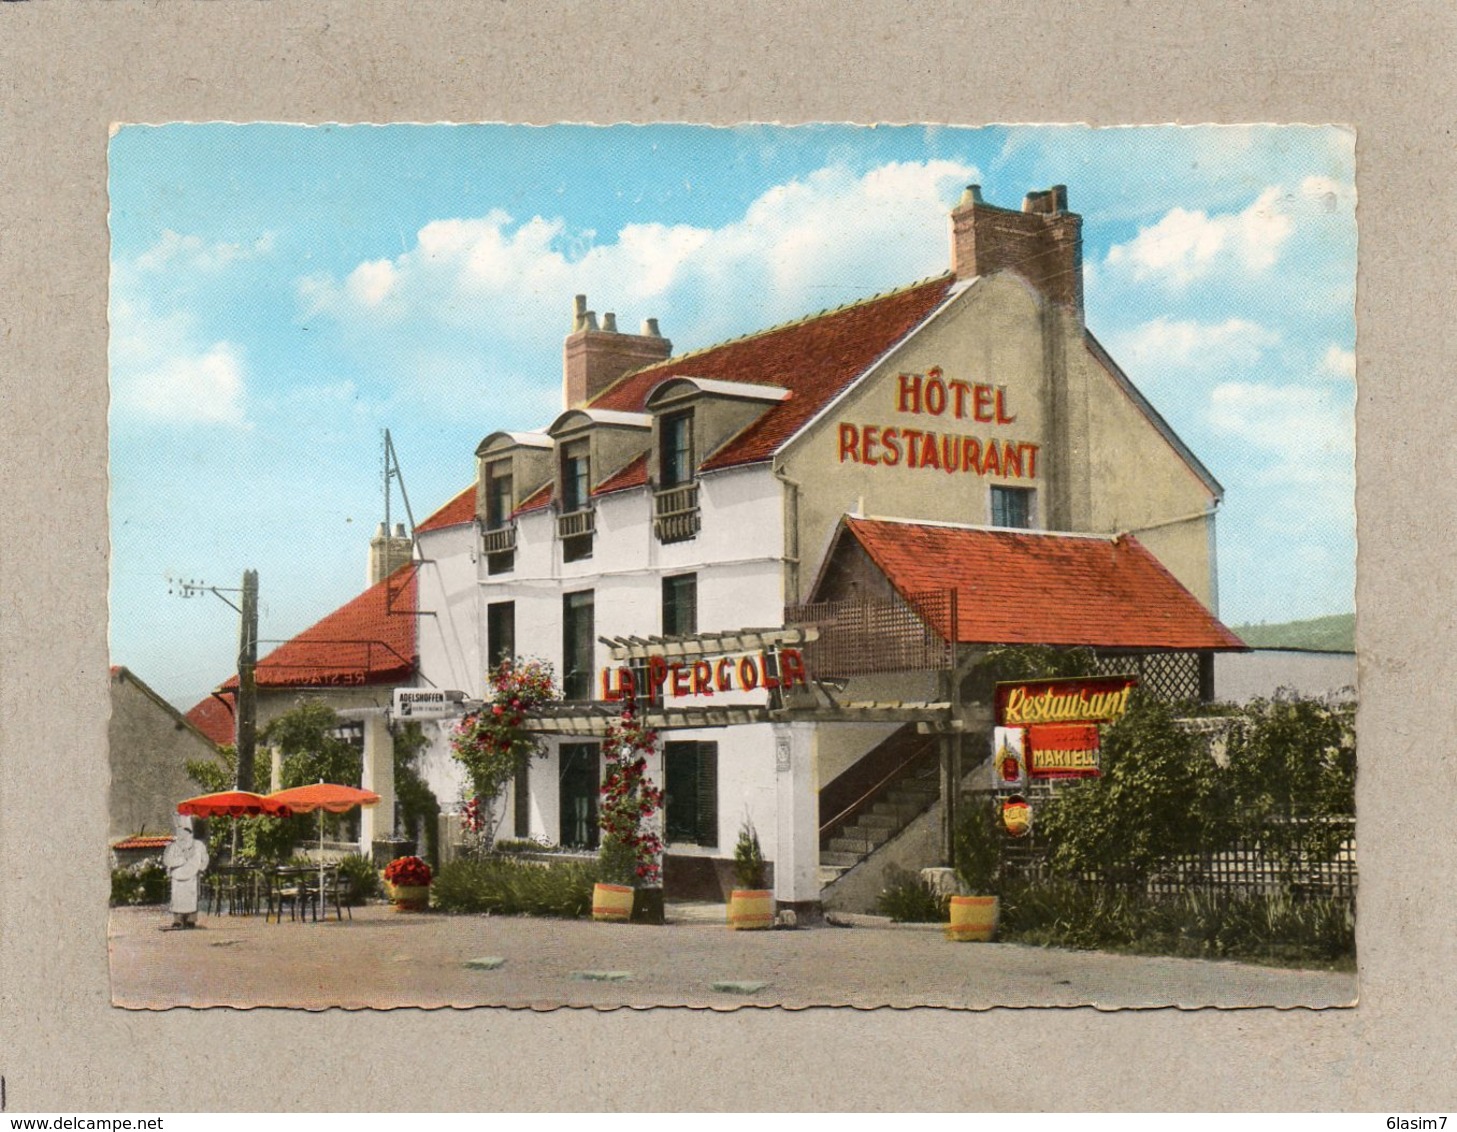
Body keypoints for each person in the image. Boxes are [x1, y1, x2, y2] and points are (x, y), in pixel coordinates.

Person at [161, 814, 210, 929]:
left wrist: (201, 868)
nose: (182, 835)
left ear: (190, 833)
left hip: (191, 876)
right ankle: (178, 920)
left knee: (190, 898)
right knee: (177, 899)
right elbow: (167, 860)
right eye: (179, 832)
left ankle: (190, 920)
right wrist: (182, 859)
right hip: (177, 877)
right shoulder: (173, 847)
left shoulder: (198, 845)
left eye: (184, 832)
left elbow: (205, 858)